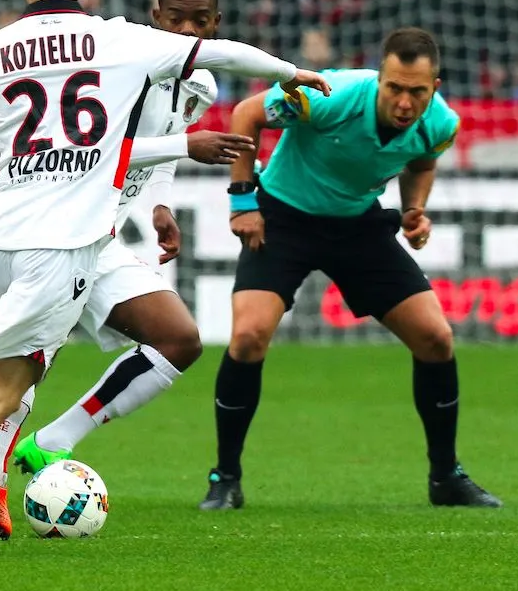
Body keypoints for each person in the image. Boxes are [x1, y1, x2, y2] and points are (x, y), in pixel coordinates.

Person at [0, 0, 328, 555]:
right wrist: (292, 72)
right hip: (64, 240)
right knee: (9, 383)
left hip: (3, 235)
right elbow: (222, 55)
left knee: (32, 368)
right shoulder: (118, 41)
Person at [0, 0, 252, 539]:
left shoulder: (198, 83)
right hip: (51, 227)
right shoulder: (125, 63)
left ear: (215, 25)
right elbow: (102, 146)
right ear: (156, 17)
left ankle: (52, 442)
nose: (186, 29)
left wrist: (159, 203)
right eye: (175, 18)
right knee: (22, 366)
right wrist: (184, 147)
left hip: (101, 237)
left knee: (178, 339)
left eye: (199, 22)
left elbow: (164, 145)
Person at [200, 27, 501, 510]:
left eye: (417, 92)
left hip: (358, 226)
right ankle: (225, 478)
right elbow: (247, 114)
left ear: (435, 88)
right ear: (379, 79)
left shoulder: (441, 124)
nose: (405, 102)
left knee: (436, 338)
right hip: (284, 219)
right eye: (395, 88)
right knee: (249, 336)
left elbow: (421, 163)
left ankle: (446, 477)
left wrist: (413, 210)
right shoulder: (331, 95)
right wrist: (242, 200)